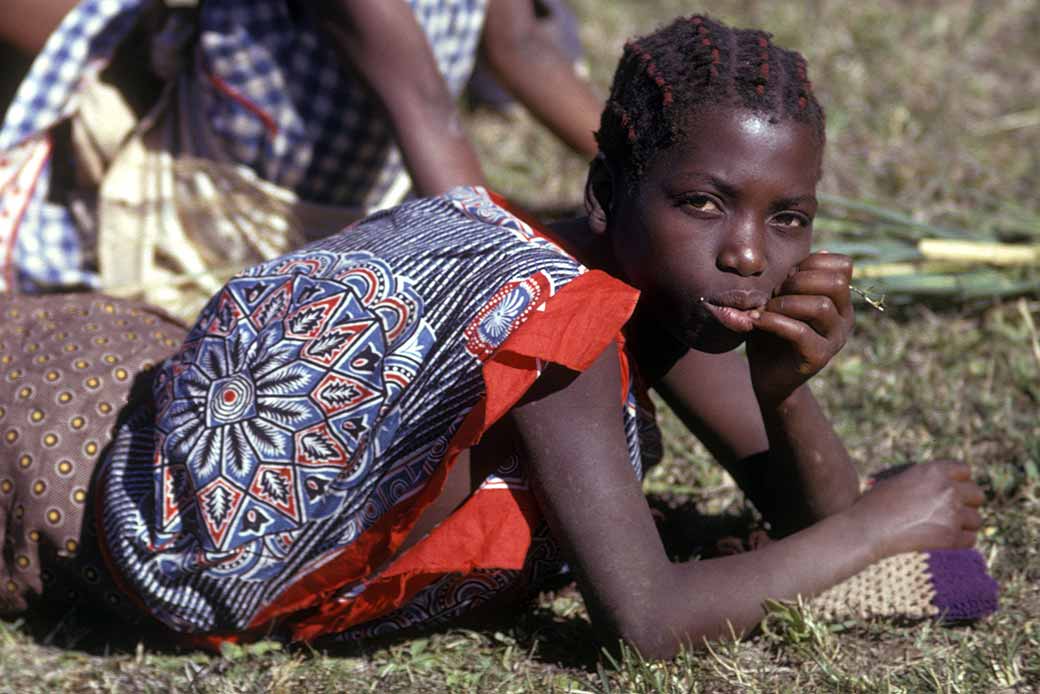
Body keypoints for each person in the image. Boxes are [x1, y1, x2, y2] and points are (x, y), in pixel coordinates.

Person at [0, 14, 993, 658]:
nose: (746, 253)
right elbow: (645, 622)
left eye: (787, 219)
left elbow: (805, 522)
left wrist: (783, 392)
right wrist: (879, 524)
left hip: (111, 362)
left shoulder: (665, 280)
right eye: (702, 202)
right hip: (70, 462)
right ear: (606, 195)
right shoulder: (552, 314)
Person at [0, 0, 602, 314]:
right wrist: (518, 297)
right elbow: (423, 109)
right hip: (224, 225)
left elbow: (520, 44)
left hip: (366, 194)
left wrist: (643, 157)